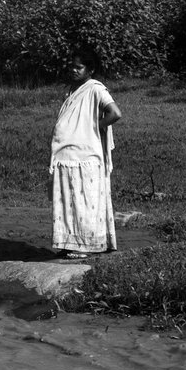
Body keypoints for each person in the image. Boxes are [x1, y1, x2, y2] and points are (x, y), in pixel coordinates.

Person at [49, 48, 122, 259]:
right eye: (72, 66)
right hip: (67, 154)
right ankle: (70, 242)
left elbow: (115, 113)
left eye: (79, 67)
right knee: (68, 201)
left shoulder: (95, 88)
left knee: (84, 202)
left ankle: (84, 245)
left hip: (85, 157)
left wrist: (94, 127)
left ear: (90, 70)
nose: (74, 70)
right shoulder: (72, 91)